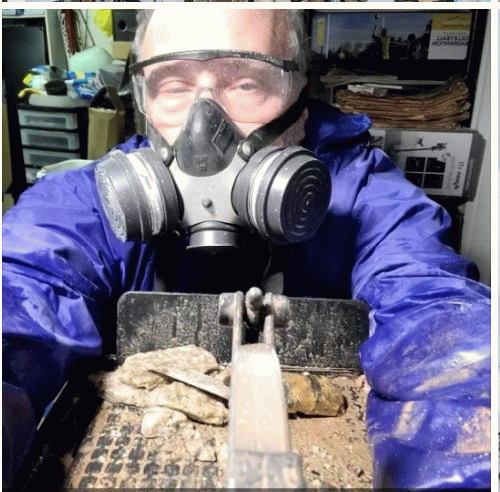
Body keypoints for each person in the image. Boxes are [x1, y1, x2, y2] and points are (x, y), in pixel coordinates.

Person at [3, 8, 490, 490]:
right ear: (144, 101)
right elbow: (18, 290)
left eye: (246, 83)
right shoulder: (86, 207)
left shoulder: (362, 197)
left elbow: (439, 321)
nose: (203, 126)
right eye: (173, 84)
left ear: (301, 102)